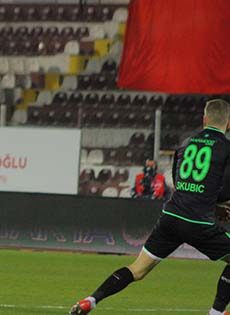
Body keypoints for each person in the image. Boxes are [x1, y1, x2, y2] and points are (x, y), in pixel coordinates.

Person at [70, 99, 230, 315]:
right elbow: (225, 190)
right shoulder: (226, 149)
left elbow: (179, 181)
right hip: (198, 222)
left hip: (171, 217)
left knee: (137, 269)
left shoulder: (185, 143)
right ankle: (216, 313)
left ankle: (91, 300)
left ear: (204, 119)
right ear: (228, 123)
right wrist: (219, 203)